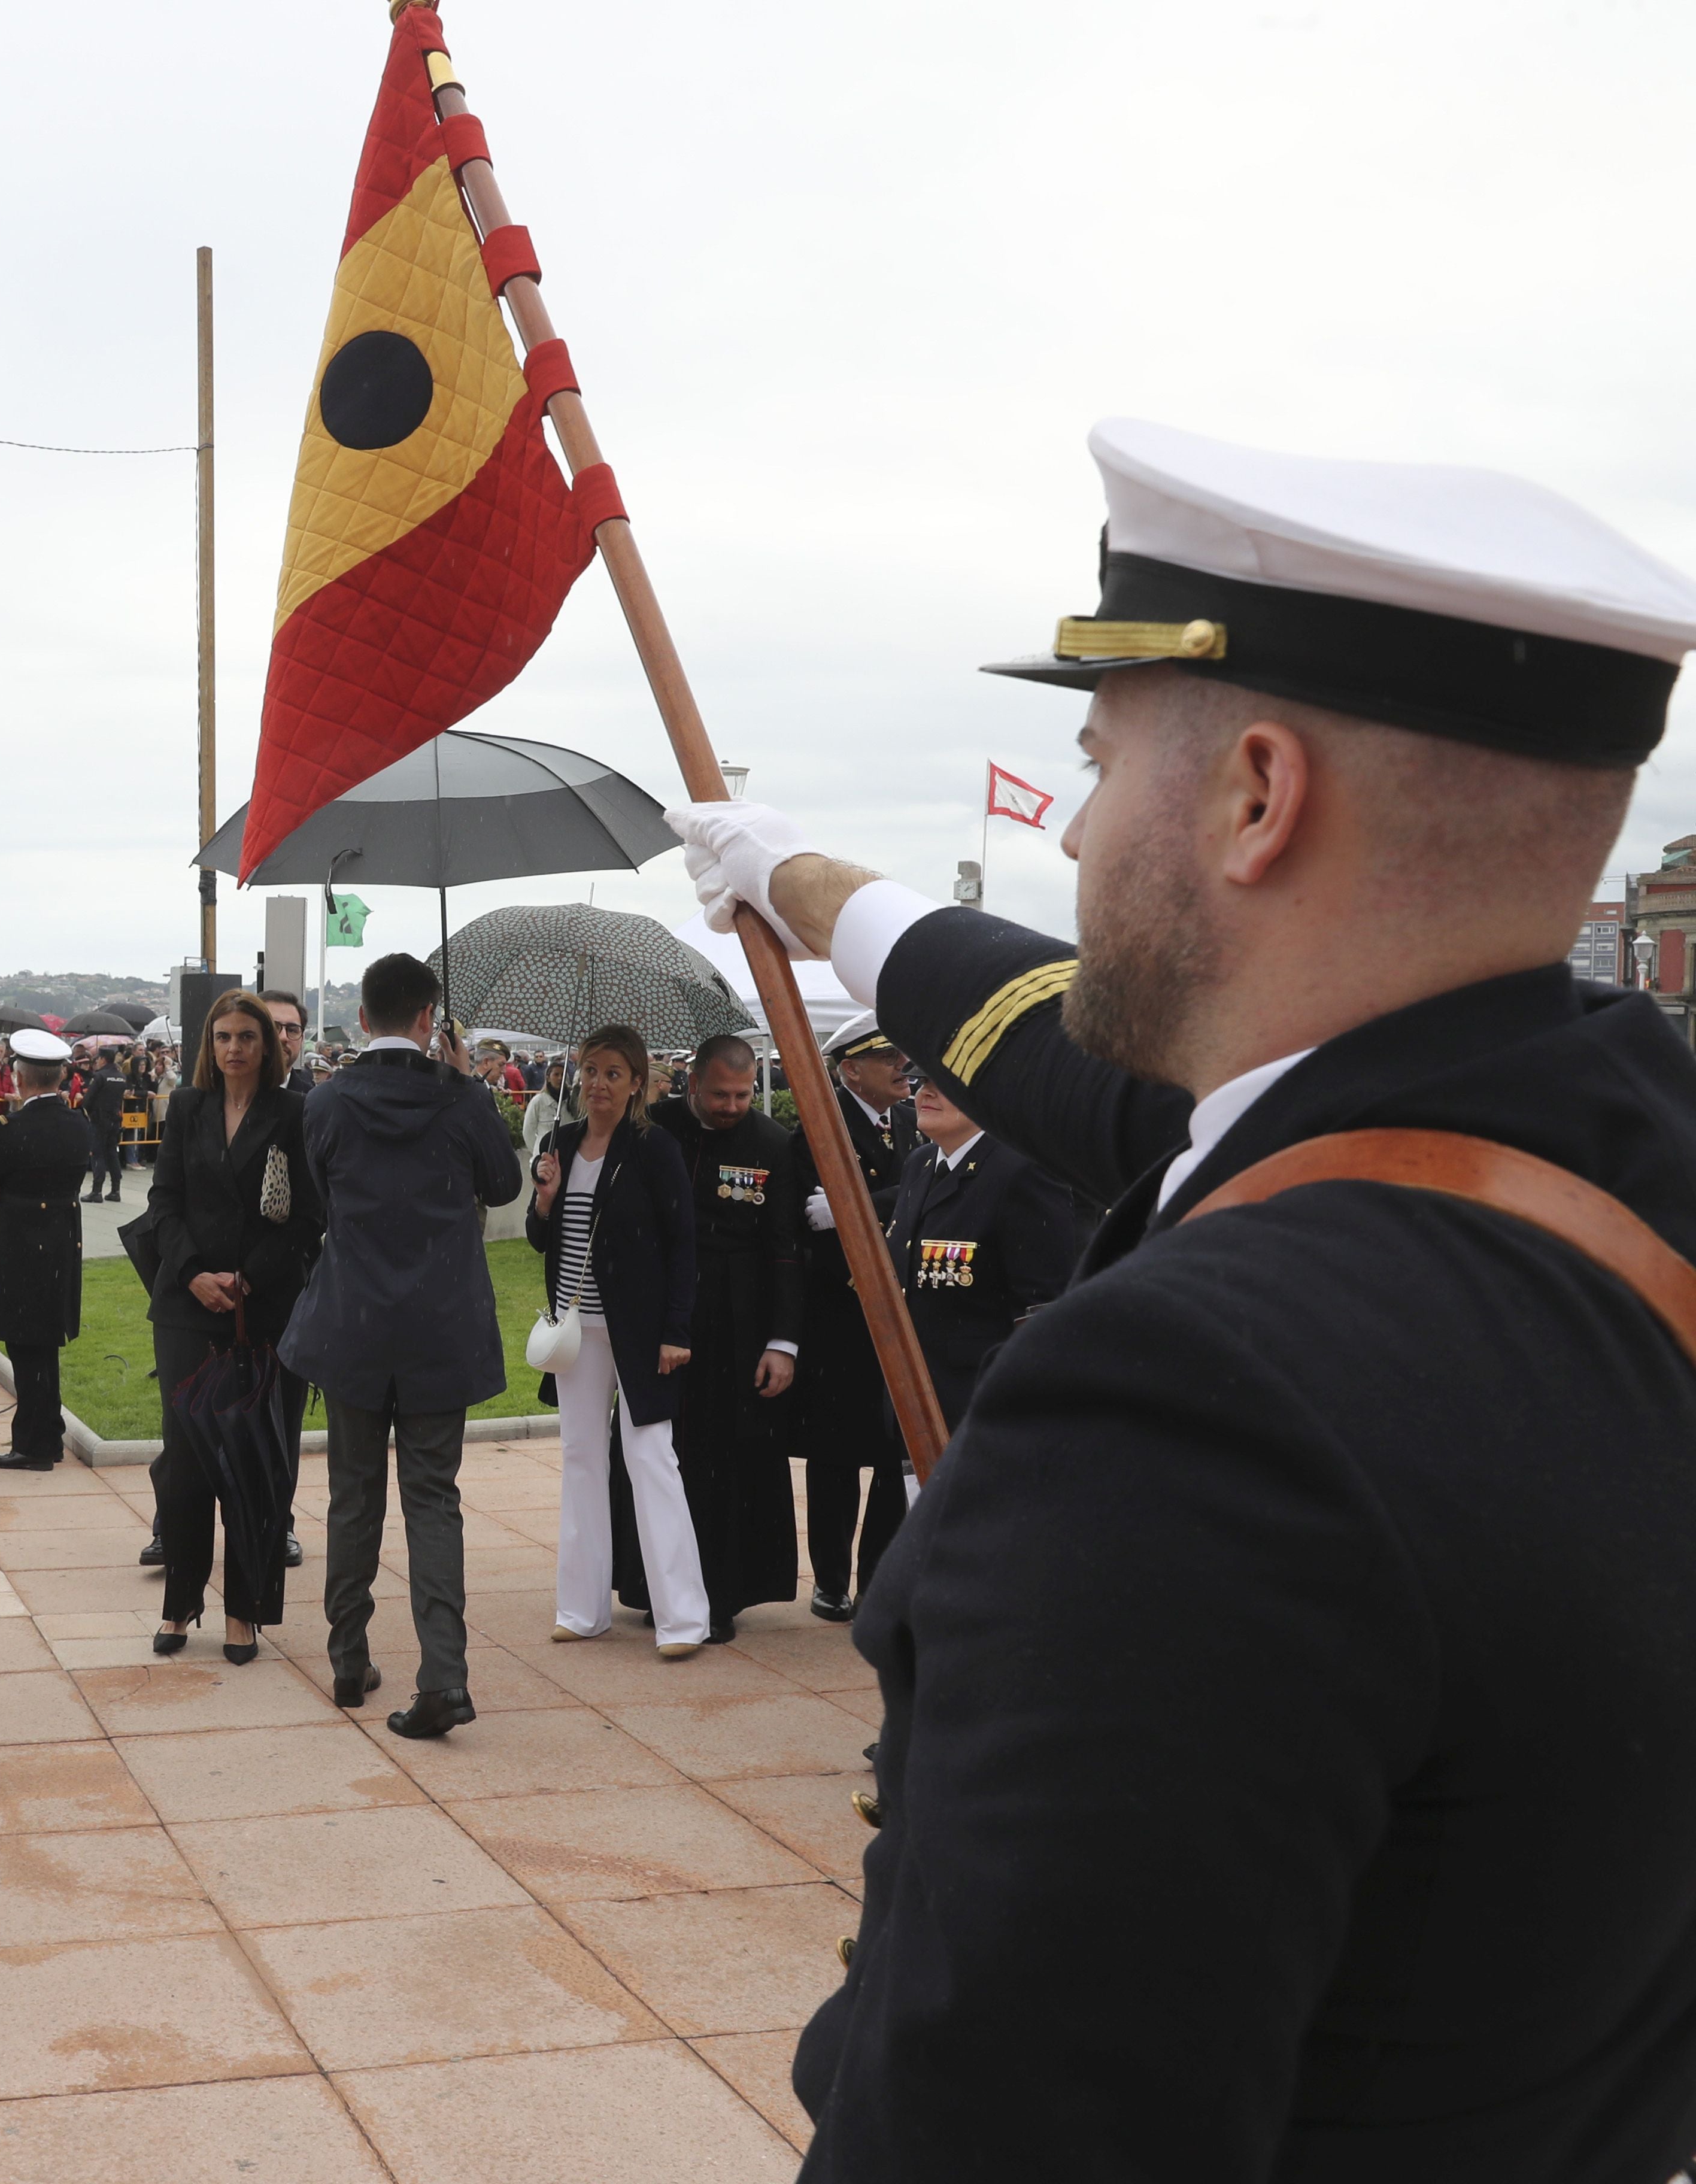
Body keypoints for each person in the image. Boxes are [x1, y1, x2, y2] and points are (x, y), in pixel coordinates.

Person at [668, 417, 1696, 2176]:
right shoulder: (1606, 1150)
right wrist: (794, 878)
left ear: (1254, 796)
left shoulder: (1192, 1400)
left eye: (1100, 758)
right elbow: (1058, 1043)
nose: (1072, 826)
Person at [277, 952, 523, 1739]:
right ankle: (444, 1675)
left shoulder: (326, 1101)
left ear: (364, 1018)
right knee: (432, 1499)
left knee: (353, 1496)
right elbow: (504, 1185)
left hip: (351, 1323)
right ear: (429, 1019)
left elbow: (320, 1193)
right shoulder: (459, 1100)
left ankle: (349, 1656)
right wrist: (466, 1083)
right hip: (438, 1327)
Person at [137, 991, 320, 1664]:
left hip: (264, 1311)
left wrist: (246, 1280)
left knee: (254, 1465)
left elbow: (307, 1219)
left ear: (267, 1047)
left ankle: (244, 1610)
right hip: (187, 1309)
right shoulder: (187, 1108)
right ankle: (180, 1604)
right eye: (223, 1037)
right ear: (208, 1046)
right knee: (185, 1467)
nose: (235, 1048)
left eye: (248, 1036)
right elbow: (164, 1201)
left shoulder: (295, 1113)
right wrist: (193, 1276)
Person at [528, 1027, 705, 1656]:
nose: (597, 1084)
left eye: (612, 1073)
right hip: (578, 1331)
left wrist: (676, 1331)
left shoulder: (653, 1148)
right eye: (590, 1071)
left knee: (651, 1459)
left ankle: (683, 1618)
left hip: (641, 1331)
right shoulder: (563, 1142)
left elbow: (684, 1244)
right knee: (580, 1457)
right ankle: (580, 1609)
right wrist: (545, 1201)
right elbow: (539, 1237)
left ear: (637, 1083)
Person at [641, 1032, 805, 1642]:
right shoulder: (653, 1128)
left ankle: (720, 1593)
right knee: (659, 1453)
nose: (731, 1106)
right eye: (720, 1094)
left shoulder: (771, 1143)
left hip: (739, 1322)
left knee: (725, 1460)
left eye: (741, 1094)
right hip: (662, 1316)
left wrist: (783, 1342)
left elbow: (786, 1249)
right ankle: (652, 1584)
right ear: (692, 1084)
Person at [781, 1014, 921, 1620]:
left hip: (903, 1311)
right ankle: (832, 1581)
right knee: (837, 1458)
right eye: (887, 1056)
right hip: (840, 1316)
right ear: (850, 1070)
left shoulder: (914, 1124)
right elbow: (813, 1221)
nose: (902, 1066)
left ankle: (880, 1581)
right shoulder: (819, 1130)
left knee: (896, 1454)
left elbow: (926, 1192)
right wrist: (895, 1208)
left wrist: (863, 1205)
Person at [886, 1069, 1079, 1437]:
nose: (926, 1093)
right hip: (913, 1399)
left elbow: (1042, 1308)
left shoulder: (1022, 1172)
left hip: (982, 1406)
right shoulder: (922, 1163)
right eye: (923, 1082)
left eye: (944, 1085)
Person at [0, 1029, 84, 1470]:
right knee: (44, 1345)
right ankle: (47, 1430)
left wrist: (7, 1193)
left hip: (20, 1247)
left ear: (21, 1077)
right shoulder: (78, 1123)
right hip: (62, 1245)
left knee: (27, 1349)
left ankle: (35, 1444)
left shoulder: (8, 1130)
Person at [78, 1049, 128, 1202]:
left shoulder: (100, 1076)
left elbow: (88, 1099)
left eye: (98, 1059)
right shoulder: (121, 1077)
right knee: (112, 1153)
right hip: (115, 1119)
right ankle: (115, 1190)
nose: (97, 1062)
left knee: (98, 1153)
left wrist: (86, 1111)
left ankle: (97, 1191)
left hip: (100, 1120)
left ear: (104, 1060)